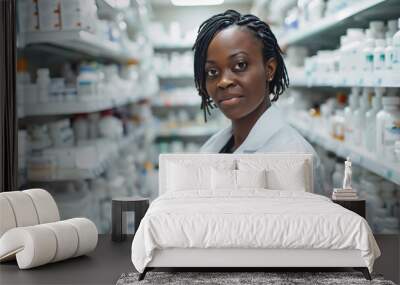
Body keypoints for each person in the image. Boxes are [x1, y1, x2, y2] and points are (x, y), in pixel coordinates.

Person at [192, 9, 325, 194]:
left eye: (240, 65)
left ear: (269, 69)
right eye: (212, 72)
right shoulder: (213, 147)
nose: (223, 81)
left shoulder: (294, 157)